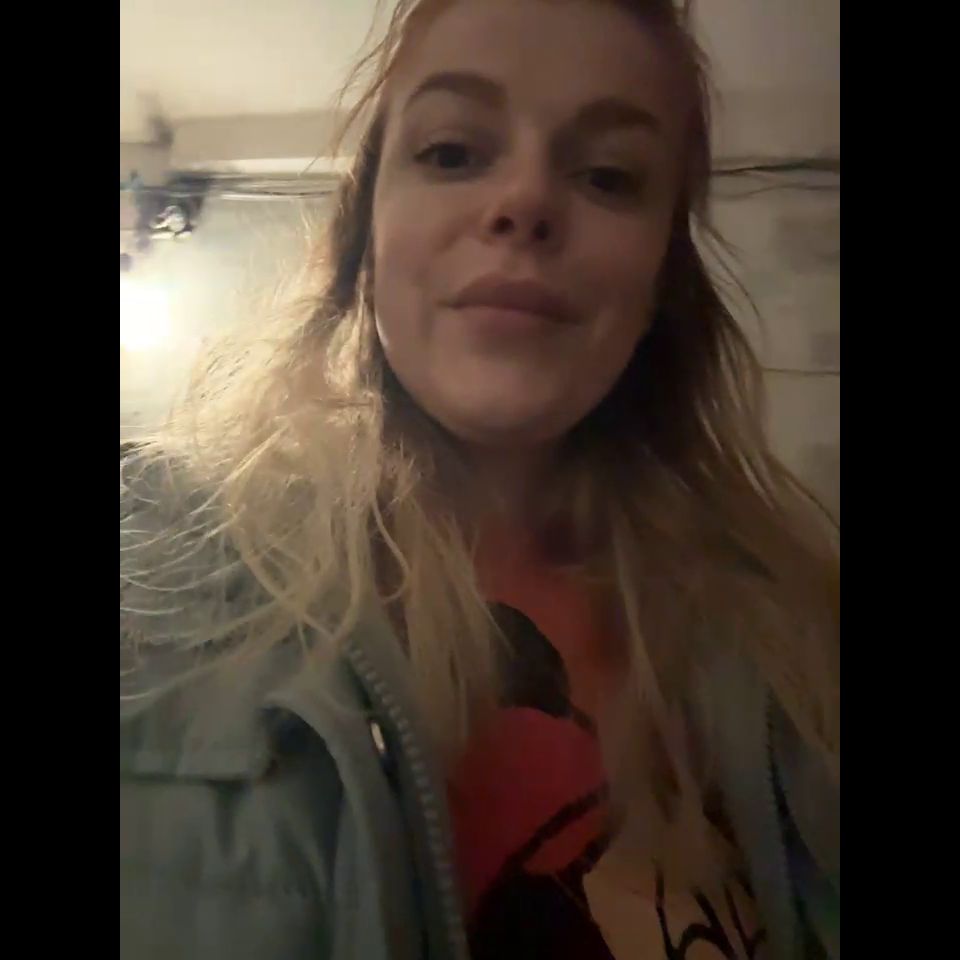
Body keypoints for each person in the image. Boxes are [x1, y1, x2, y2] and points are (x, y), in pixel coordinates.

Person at [120, 1, 840, 958]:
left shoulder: (794, 639)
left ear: (663, 279)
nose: (524, 202)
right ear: (365, 236)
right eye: (453, 152)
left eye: (609, 175)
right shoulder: (146, 579)